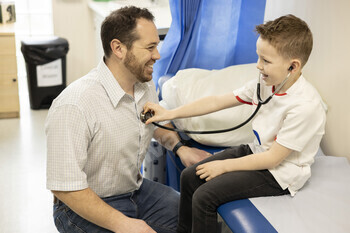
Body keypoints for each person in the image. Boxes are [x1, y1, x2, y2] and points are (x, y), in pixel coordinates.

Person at [143, 14, 326, 233]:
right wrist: (169, 113)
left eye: (266, 61)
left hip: (280, 173)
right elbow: (217, 101)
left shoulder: (305, 106)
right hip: (257, 151)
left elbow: (273, 158)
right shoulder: (267, 82)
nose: (258, 66)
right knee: (190, 176)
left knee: (205, 195)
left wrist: (223, 166)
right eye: (259, 57)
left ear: (292, 66)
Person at [45, 6, 210, 233]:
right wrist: (124, 224)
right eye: (150, 47)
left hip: (135, 191)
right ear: (118, 48)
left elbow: (153, 121)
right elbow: (65, 188)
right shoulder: (74, 105)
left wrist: (180, 147)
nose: (158, 55)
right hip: (81, 204)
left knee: (193, 214)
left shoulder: (143, 85)